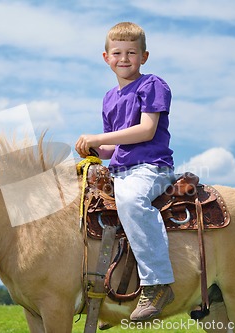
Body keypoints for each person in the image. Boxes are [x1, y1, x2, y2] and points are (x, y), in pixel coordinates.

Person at [75, 22, 175, 321]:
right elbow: (111, 149)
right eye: (117, 52)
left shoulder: (152, 85)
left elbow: (146, 130)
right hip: (120, 169)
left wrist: (99, 139)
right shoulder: (109, 98)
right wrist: (92, 150)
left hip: (150, 166)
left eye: (131, 52)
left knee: (132, 201)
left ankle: (157, 283)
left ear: (144, 56)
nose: (124, 58)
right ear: (106, 57)